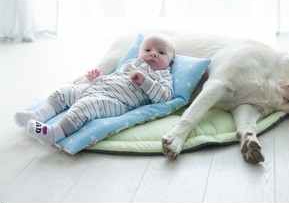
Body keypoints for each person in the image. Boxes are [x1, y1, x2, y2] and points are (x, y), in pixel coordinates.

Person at [15, 33, 175, 145]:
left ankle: (54, 132)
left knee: (85, 106)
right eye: (147, 50)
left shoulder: (162, 75)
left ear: (171, 62)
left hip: (116, 102)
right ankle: (38, 115)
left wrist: (145, 81)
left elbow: (164, 97)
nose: (153, 54)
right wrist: (94, 79)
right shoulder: (131, 63)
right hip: (98, 87)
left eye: (161, 52)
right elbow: (114, 77)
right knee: (64, 91)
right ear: (139, 52)